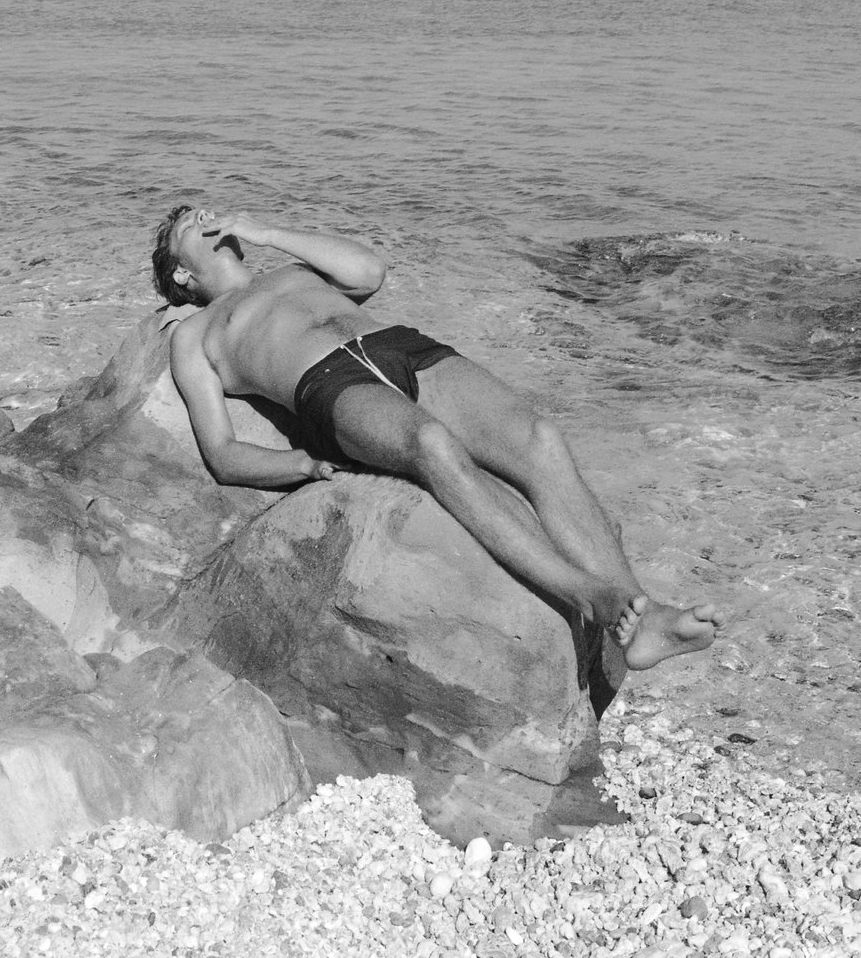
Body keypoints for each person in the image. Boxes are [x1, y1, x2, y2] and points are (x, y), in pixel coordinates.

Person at [151, 204, 722, 671]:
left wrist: (267, 232)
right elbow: (222, 454)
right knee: (431, 444)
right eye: (184, 224)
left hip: (401, 346)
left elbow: (368, 271)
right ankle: (587, 596)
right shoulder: (194, 334)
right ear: (181, 274)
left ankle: (645, 621)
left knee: (540, 438)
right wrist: (304, 465)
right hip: (327, 385)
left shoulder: (293, 270)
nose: (201, 214)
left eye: (203, 208)